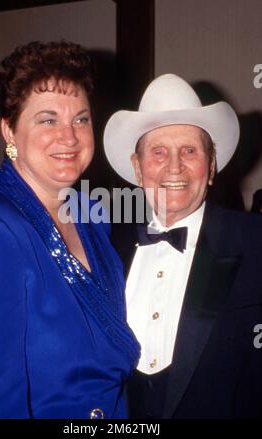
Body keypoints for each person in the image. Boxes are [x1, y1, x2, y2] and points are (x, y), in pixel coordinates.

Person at [0, 40, 139, 419]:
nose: (69, 137)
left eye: (81, 118)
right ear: (9, 131)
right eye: (47, 120)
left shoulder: (93, 218)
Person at [104, 73, 262, 419]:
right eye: (158, 152)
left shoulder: (255, 241)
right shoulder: (104, 249)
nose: (174, 166)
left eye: (189, 150)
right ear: (138, 168)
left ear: (211, 167)